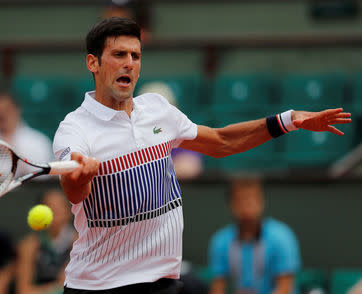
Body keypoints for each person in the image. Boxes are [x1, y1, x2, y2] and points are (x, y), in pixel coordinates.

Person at [52, 17, 351, 294]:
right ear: (93, 62)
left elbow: (221, 141)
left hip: (161, 281)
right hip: (98, 286)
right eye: (119, 55)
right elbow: (75, 192)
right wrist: (81, 177)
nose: (129, 63)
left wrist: (289, 120)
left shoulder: (157, 109)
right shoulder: (74, 130)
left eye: (136, 56)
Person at [208, 178, 301, 294]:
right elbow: (218, 287)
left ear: (262, 201)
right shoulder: (220, 241)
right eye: (241, 199)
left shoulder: (282, 236)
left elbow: (285, 288)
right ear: (232, 204)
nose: (247, 204)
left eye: (253, 198)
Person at [16, 189, 77, 294]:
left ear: (68, 212)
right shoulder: (29, 246)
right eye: (49, 206)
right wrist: (56, 288)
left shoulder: (79, 243)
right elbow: (24, 290)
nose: (55, 211)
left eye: (60, 207)